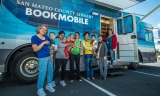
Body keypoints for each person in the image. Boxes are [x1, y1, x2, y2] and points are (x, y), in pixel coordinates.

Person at [31, 24, 55, 96]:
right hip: (42, 58)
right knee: (42, 73)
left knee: (50, 72)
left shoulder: (47, 37)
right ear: (39, 29)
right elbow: (35, 49)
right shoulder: (34, 38)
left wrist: (52, 51)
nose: (44, 31)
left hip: (49, 56)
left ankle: (49, 85)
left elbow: (49, 48)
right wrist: (43, 42)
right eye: (43, 29)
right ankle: (40, 89)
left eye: (45, 30)